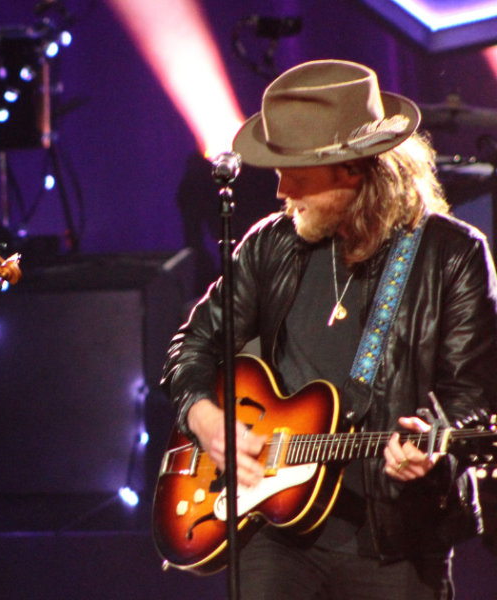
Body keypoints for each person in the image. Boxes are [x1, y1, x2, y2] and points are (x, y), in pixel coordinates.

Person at [161, 59, 497, 599]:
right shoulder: (271, 243)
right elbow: (194, 344)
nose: (279, 190)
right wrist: (204, 417)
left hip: (393, 538)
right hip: (272, 527)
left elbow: (473, 394)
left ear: (353, 169)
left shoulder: (450, 255)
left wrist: (432, 446)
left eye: (296, 172)